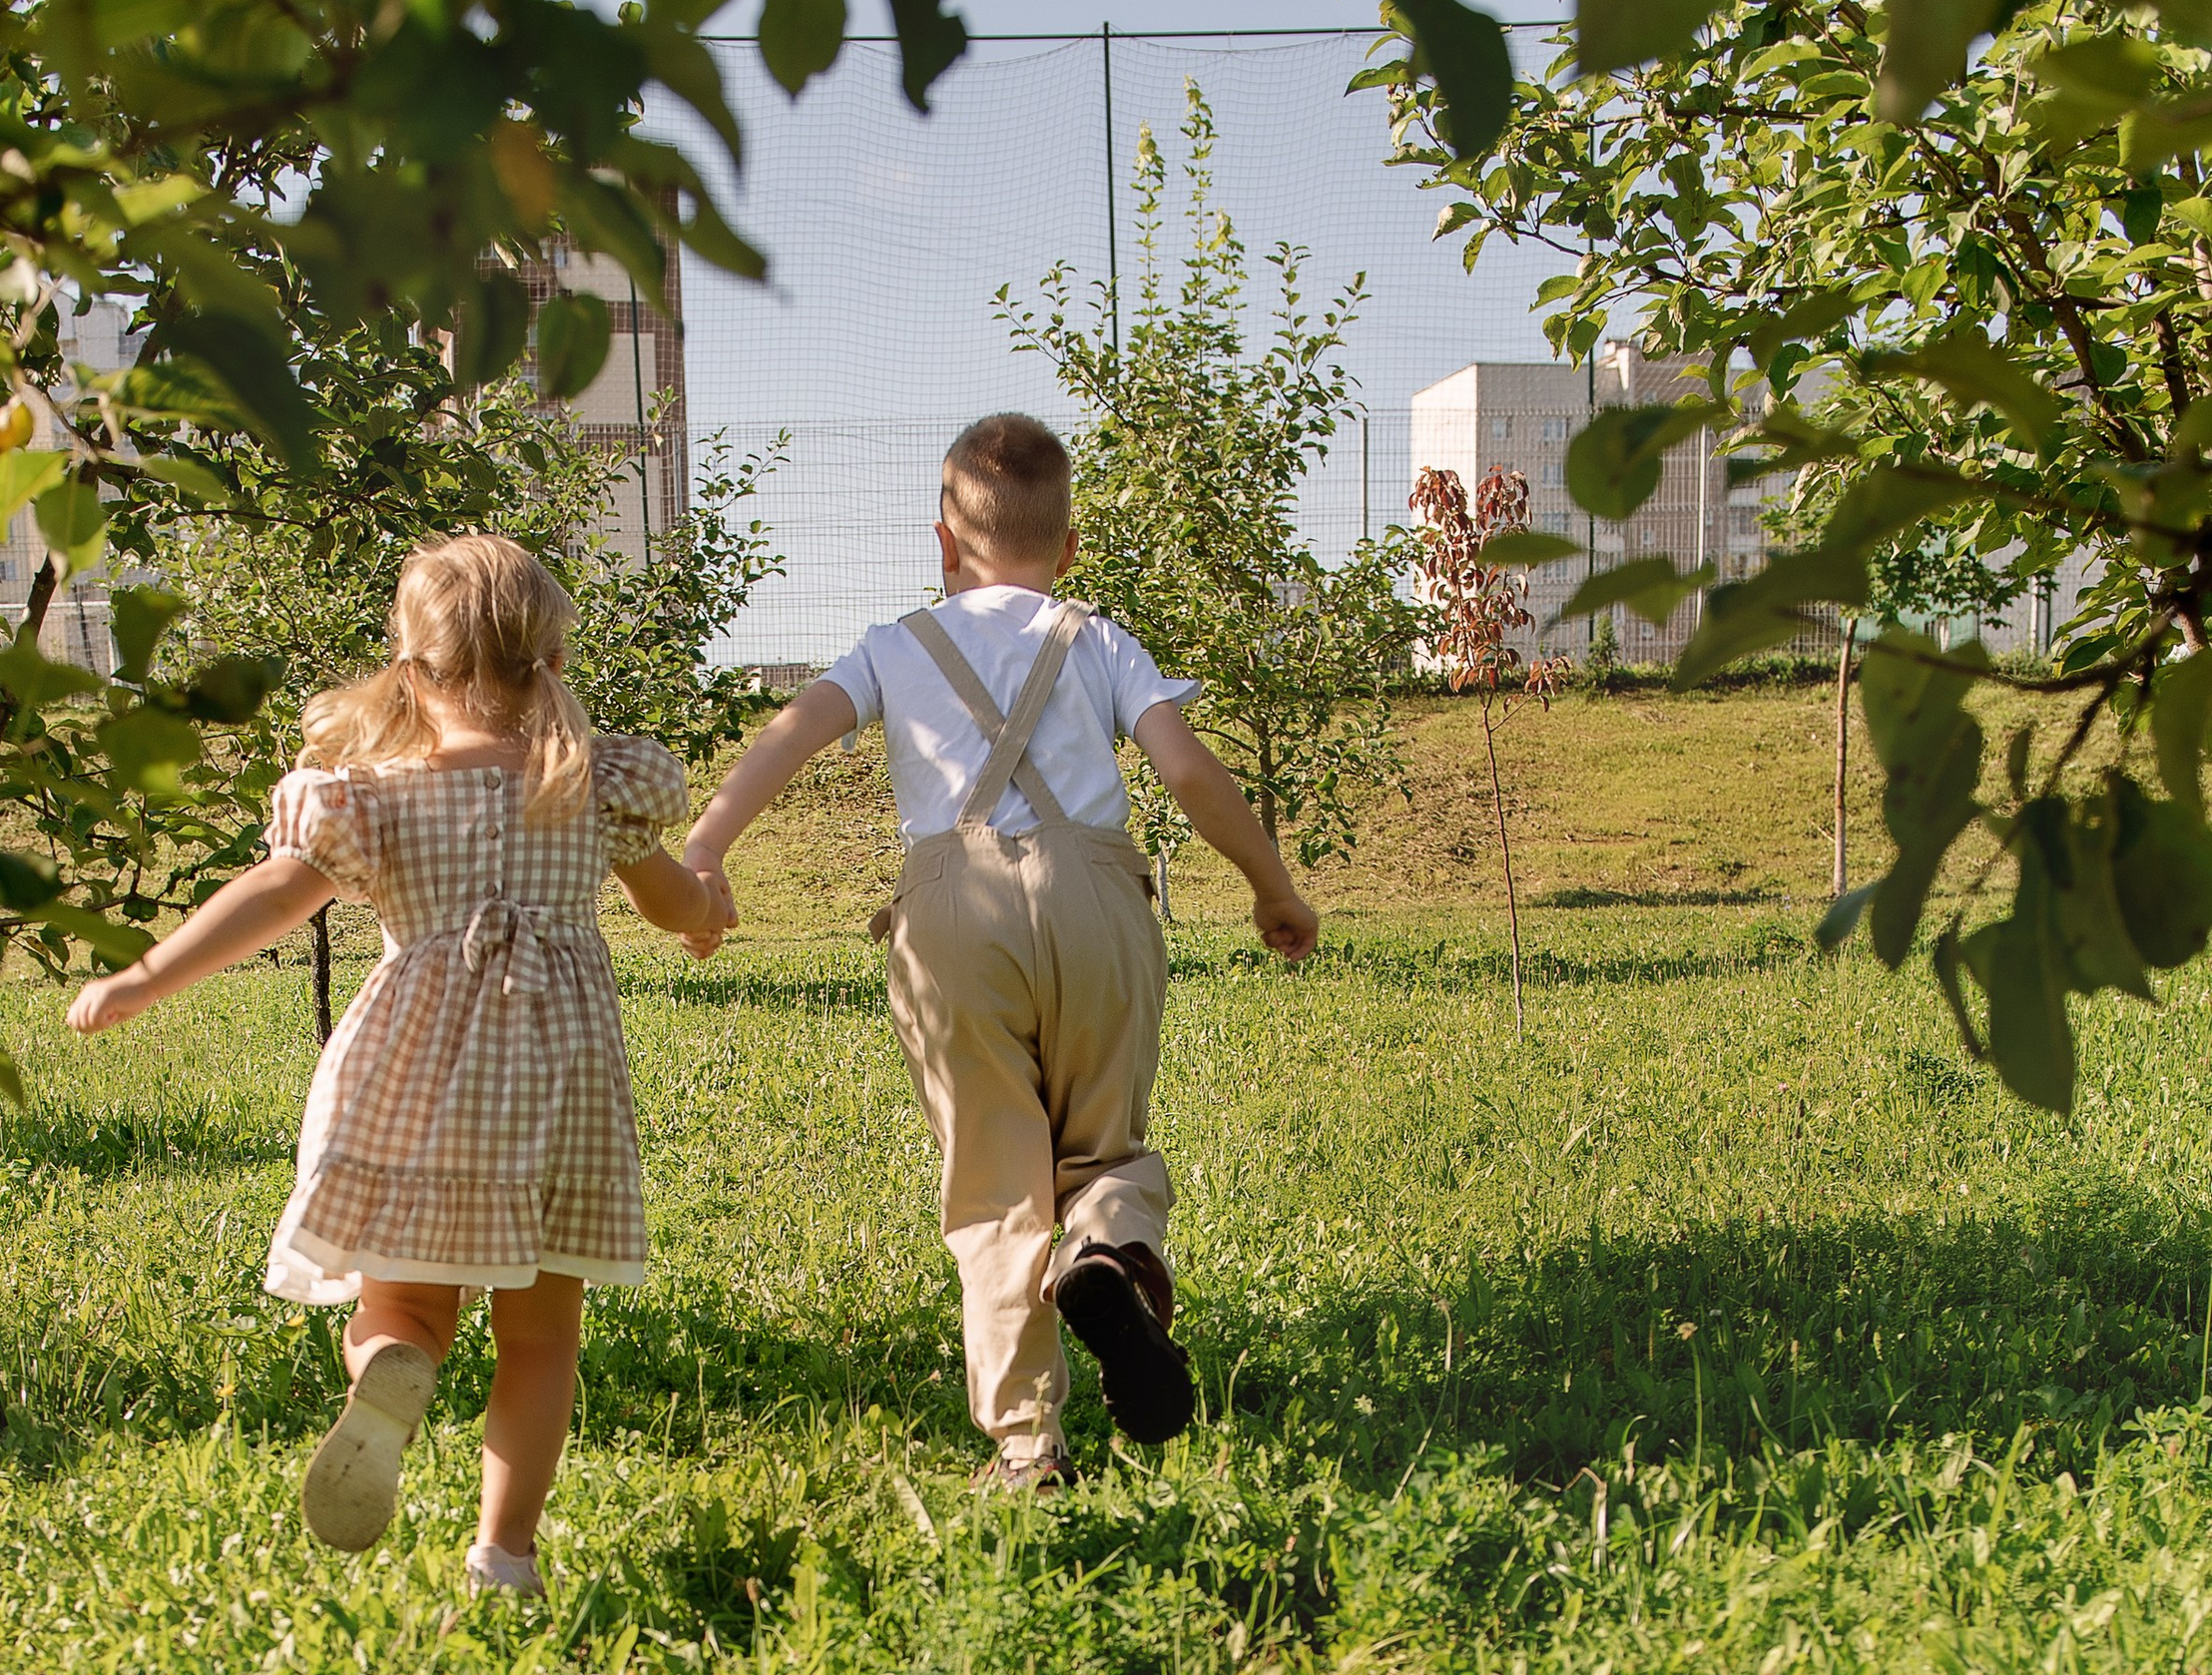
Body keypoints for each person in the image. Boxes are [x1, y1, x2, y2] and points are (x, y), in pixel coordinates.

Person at [66, 531, 724, 1594]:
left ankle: (386, 1374)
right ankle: (505, 1556)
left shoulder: (368, 792)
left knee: (405, 1309)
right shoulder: (595, 783)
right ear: (550, 658)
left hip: (414, 1090)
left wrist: (145, 974)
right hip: (559, 1096)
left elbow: (276, 895)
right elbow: (668, 899)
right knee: (541, 1341)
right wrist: (704, 910)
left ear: (412, 668)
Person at [679, 411, 1320, 1489]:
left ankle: (1029, 1445)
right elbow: (1191, 772)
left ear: (943, 543)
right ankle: (1107, 1249)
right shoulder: (1098, 637)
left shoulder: (896, 644)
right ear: (1068, 550)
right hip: (1097, 900)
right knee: (1105, 1147)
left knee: (993, 1183)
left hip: (950, 911)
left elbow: (788, 735)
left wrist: (704, 854)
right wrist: (1272, 885)